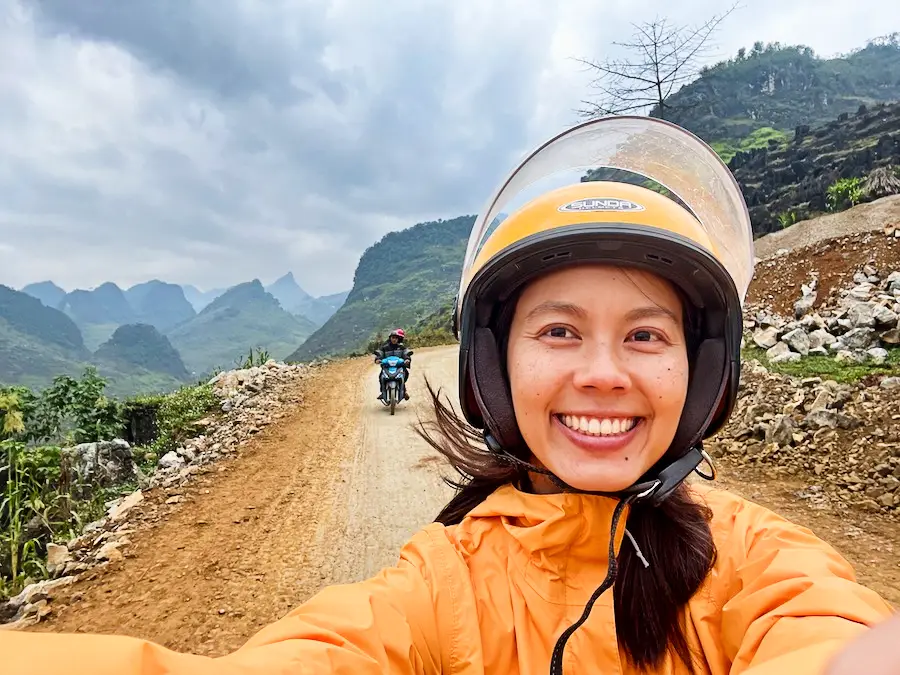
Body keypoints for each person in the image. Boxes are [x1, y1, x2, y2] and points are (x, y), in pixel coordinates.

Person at [2, 117, 896, 674]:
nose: (602, 373)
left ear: (702, 373)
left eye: (646, 334)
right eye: (556, 330)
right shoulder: (443, 582)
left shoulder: (762, 564)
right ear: (489, 365)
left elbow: (827, 634)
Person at [374, 328, 411, 400]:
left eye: (396, 338)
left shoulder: (401, 347)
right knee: (381, 377)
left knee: (405, 374)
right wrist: (378, 359)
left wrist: (407, 359)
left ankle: (403, 391)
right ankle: (383, 392)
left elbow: (406, 353)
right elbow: (380, 353)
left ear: (398, 339)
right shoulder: (385, 347)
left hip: (399, 367)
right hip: (387, 367)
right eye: (393, 338)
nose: (394, 339)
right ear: (390, 338)